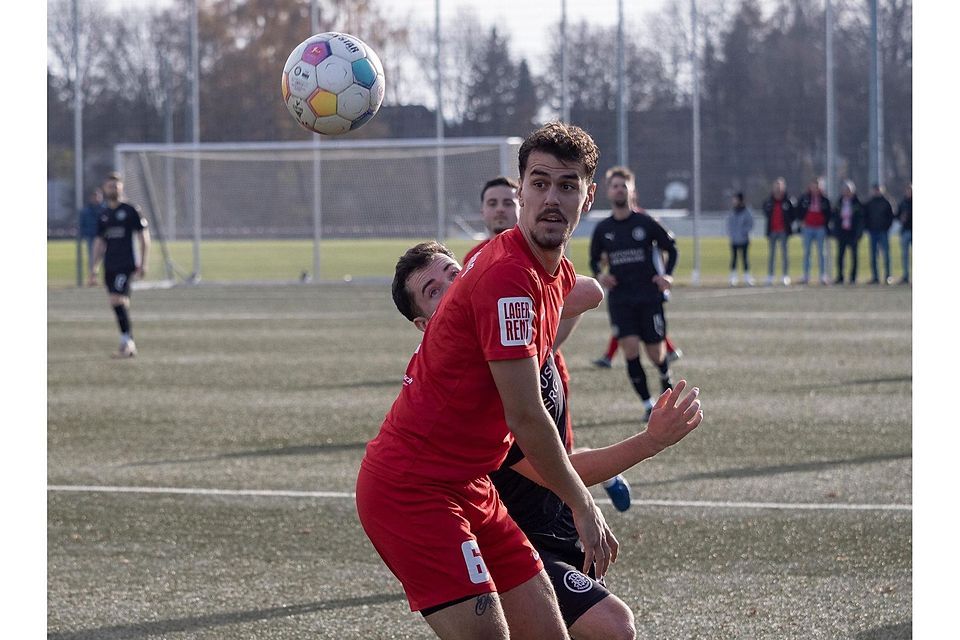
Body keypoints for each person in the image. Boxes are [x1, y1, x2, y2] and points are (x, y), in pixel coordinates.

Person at [357, 122, 621, 639]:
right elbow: (525, 415)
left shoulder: (549, 272)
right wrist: (583, 504)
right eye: (539, 183)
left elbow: (579, 298)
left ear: (587, 198)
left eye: (567, 185)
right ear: (520, 191)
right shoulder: (507, 277)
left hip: (471, 485)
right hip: (411, 488)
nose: (552, 198)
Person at [391, 240, 703, 639]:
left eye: (455, 275)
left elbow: (590, 293)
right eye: (434, 291)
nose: (453, 290)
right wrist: (650, 441)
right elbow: (557, 470)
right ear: (425, 325)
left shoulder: (509, 323)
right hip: (516, 535)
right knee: (614, 627)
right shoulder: (472, 382)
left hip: (555, 521)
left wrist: (534, 264)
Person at [467, 176, 633, 512]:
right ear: (482, 211)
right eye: (492, 203)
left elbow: (580, 298)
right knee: (507, 468)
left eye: (506, 202)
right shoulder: (474, 259)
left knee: (555, 464)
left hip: (542, 374)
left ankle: (583, 508)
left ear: (520, 202)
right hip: (494, 381)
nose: (499, 210)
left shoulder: (542, 257)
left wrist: (539, 351)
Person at [589, 166, 678, 423]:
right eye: (615, 186)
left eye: (623, 186)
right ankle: (648, 404)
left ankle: (665, 376)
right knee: (630, 351)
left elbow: (671, 248)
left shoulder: (646, 223)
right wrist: (600, 275)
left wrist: (667, 276)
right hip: (621, 300)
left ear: (632, 191)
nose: (619, 190)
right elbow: (594, 260)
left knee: (655, 353)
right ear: (608, 192)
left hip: (649, 298)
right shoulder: (603, 228)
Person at [87, 172, 151, 358]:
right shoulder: (104, 214)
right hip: (110, 265)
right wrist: (94, 268)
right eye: (110, 186)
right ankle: (128, 342)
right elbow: (100, 242)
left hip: (126, 264)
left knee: (117, 300)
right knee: (119, 302)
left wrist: (143, 263)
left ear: (121, 187)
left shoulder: (131, 210)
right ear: (104, 189)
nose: (113, 189)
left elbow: (143, 236)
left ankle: (127, 343)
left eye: (116, 186)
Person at [795, 177, 832, 285]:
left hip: (820, 228)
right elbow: (798, 210)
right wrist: (801, 221)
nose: (815, 188)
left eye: (817, 186)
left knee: (821, 253)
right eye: (813, 186)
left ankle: (823, 275)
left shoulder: (824, 199)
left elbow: (829, 213)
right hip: (808, 228)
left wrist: (825, 224)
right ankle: (806, 275)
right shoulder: (805, 198)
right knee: (807, 252)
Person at [760, 177, 795, 286]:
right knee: (772, 255)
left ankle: (785, 275)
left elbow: (793, 214)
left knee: (785, 254)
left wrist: (788, 224)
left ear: (783, 187)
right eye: (776, 185)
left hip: (783, 231)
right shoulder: (769, 201)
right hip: (772, 231)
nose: (778, 188)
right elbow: (765, 212)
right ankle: (770, 276)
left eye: (780, 186)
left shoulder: (788, 201)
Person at [831, 180, 865, 285]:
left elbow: (861, 219)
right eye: (845, 190)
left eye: (848, 190)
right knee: (840, 256)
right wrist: (835, 231)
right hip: (842, 233)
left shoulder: (857, 203)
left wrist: (858, 233)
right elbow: (835, 217)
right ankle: (840, 276)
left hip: (853, 233)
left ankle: (853, 277)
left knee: (854, 256)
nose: (846, 192)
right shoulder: (839, 202)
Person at [863, 183, 895, 285]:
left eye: (878, 189)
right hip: (873, 232)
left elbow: (891, 216)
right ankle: (875, 277)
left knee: (886, 254)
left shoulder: (886, 202)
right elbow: (865, 216)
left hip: (883, 232)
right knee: (873, 255)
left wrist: (887, 227)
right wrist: (868, 227)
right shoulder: (870, 203)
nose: (877, 191)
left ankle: (888, 276)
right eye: (875, 189)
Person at [726, 192, 755, 286]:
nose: (734, 201)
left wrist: (744, 232)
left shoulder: (747, 211)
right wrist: (731, 234)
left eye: (735, 199)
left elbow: (750, 224)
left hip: (744, 239)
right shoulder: (732, 212)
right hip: (734, 239)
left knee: (745, 258)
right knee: (734, 258)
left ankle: (747, 278)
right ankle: (733, 278)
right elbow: (729, 224)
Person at [79, 187, 104, 274]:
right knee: (92, 257)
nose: (96, 198)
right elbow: (82, 224)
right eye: (94, 196)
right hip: (91, 237)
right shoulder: (86, 211)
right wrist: (85, 233)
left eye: (98, 196)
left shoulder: (106, 209)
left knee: (106, 257)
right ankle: (92, 276)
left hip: (104, 237)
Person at [897, 183, 912, 285]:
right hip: (905, 231)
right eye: (907, 190)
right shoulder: (902, 203)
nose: (909, 192)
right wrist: (901, 218)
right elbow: (897, 215)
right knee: (904, 255)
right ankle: (905, 276)